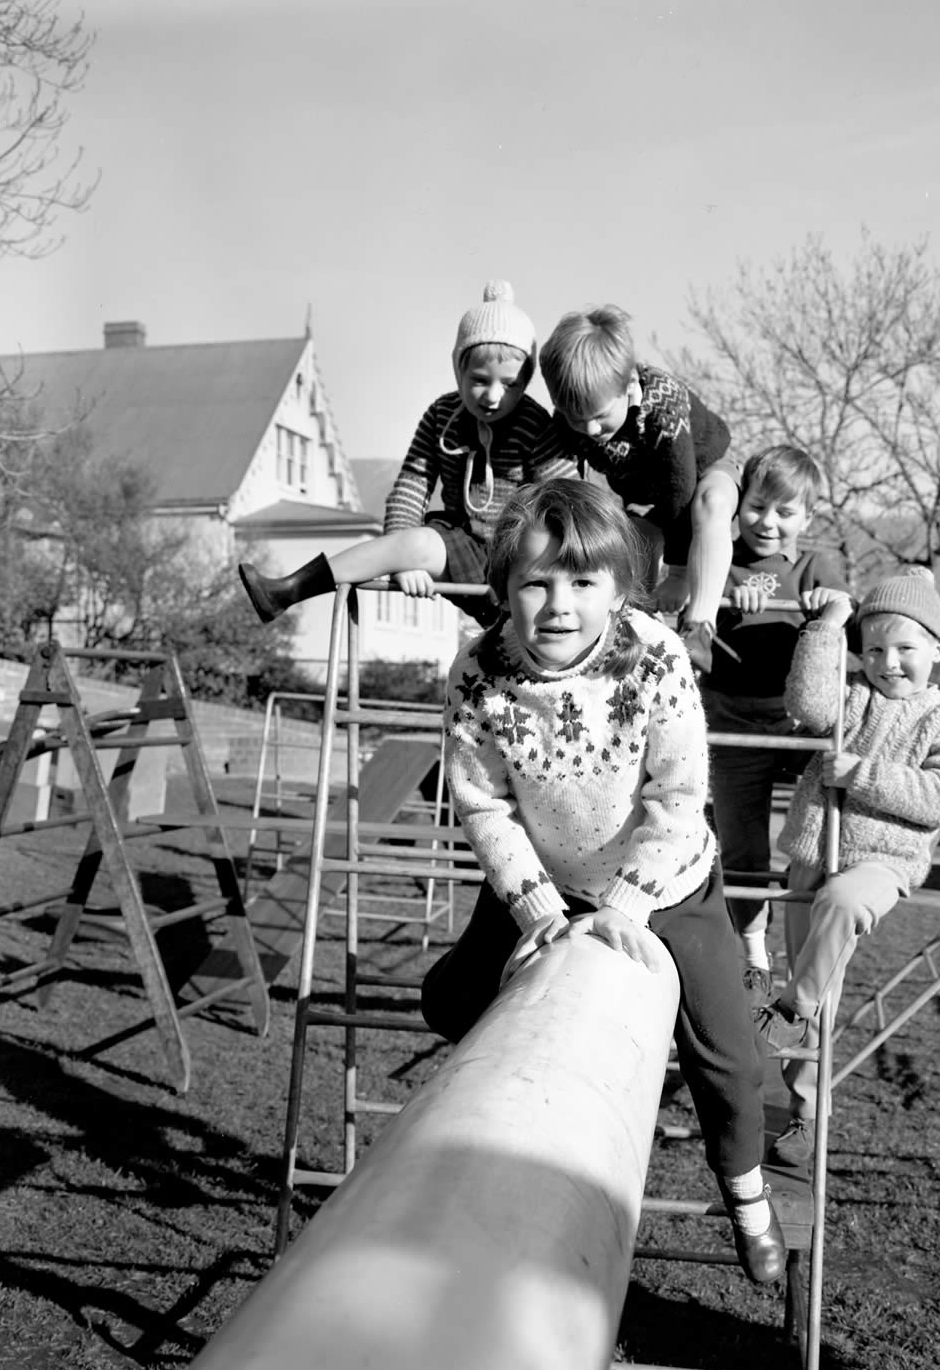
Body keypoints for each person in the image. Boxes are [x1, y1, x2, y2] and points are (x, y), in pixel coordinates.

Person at [420, 476, 786, 1284]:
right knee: (452, 1002)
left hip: (669, 880)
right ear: (502, 589)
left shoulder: (652, 655)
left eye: (583, 582)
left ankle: (746, 1189)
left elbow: (681, 796)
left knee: (725, 1055)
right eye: (536, 583)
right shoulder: (477, 671)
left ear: (620, 589)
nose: (559, 604)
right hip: (545, 878)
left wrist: (629, 901)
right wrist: (537, 908)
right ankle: (487, 1136)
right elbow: (482, 803)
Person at [757, 565, 940, 1167]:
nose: (888, 662)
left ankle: (791, 1009)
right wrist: (829, 626)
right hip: (812, 854)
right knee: (819, 994)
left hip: (883, 863)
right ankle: (805, 1116)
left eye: (906, 648)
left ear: (937, 649)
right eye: (874, 648)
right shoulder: (852, 697)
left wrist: (861, 773)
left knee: (838, 919)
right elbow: (805, 704)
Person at [238, 281, 575, 629]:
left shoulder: (536, 424)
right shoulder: (443, 416)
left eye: (509, 384)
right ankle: (288, 590)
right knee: (415, 542)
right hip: (460, 548)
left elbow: (568, 496)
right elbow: (412, 485)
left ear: (526, 381)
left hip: (517, 556)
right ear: (458, 370)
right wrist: (404, 562)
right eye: (478, 380)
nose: (492, 396)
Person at [698, 443, 846, 1000]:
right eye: (758, 507)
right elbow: (689, 594)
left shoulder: (814, 564)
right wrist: (722, 597)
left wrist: (830, 605)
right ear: (739, 507)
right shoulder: (720, 557)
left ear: (806, 518)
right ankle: (754, 954)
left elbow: (841, 608)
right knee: (741, 840)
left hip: (796, 720)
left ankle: (813, 927)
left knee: (820, 825)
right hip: (732, 716)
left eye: (786, 513)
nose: (768, 523)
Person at [538, 304, 740, 670]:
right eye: (576, 419)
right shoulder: (570, 422)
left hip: (705, 471)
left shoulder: (662, 401)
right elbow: (557, 481)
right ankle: (637, 629)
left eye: (600, 417)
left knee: (709, 503)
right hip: (647, 501)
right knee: (628, 536)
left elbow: (680, 488)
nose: (591, 431)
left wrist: (677, 574)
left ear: (629, 383)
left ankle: (699, 627)